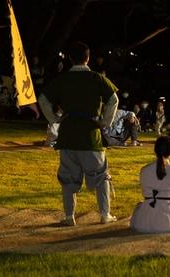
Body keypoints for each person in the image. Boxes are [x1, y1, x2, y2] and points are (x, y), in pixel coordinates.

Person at [38, 41, 119, 226]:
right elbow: (114, 99)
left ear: (70, 58)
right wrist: (105, 122)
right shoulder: (97, 78)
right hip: (91, 135)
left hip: (68, 136)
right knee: (100, 177)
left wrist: (54, 120)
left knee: (68, 178)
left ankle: (69, 216)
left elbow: (43, 99)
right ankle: (105, 215)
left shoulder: (63, 79)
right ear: (88, 57)